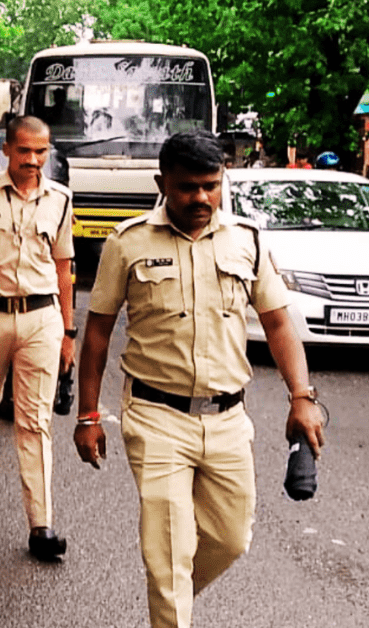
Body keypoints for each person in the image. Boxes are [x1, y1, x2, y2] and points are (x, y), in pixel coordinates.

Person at [75, 129, 326, 628]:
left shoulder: (246, 241)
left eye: (211, 185)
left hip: (230, 419)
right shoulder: (127, 243)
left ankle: (171, 603)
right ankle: (170, 607)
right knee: (168, 556)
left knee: (232, 539)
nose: (201, 198)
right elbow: (98, 333)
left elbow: (277, 323)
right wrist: (87, 414)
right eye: (188, 187)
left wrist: (303, 396)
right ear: (162, 182)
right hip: (156, 416)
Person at [0, 116, 75, 563]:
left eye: (41, 151)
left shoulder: (60, 199)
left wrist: (68, 332)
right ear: (6, 150)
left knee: (35, 420)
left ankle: (40, 524)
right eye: (24, 151)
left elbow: (64, 268)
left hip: (41, 317)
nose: (32, 160)